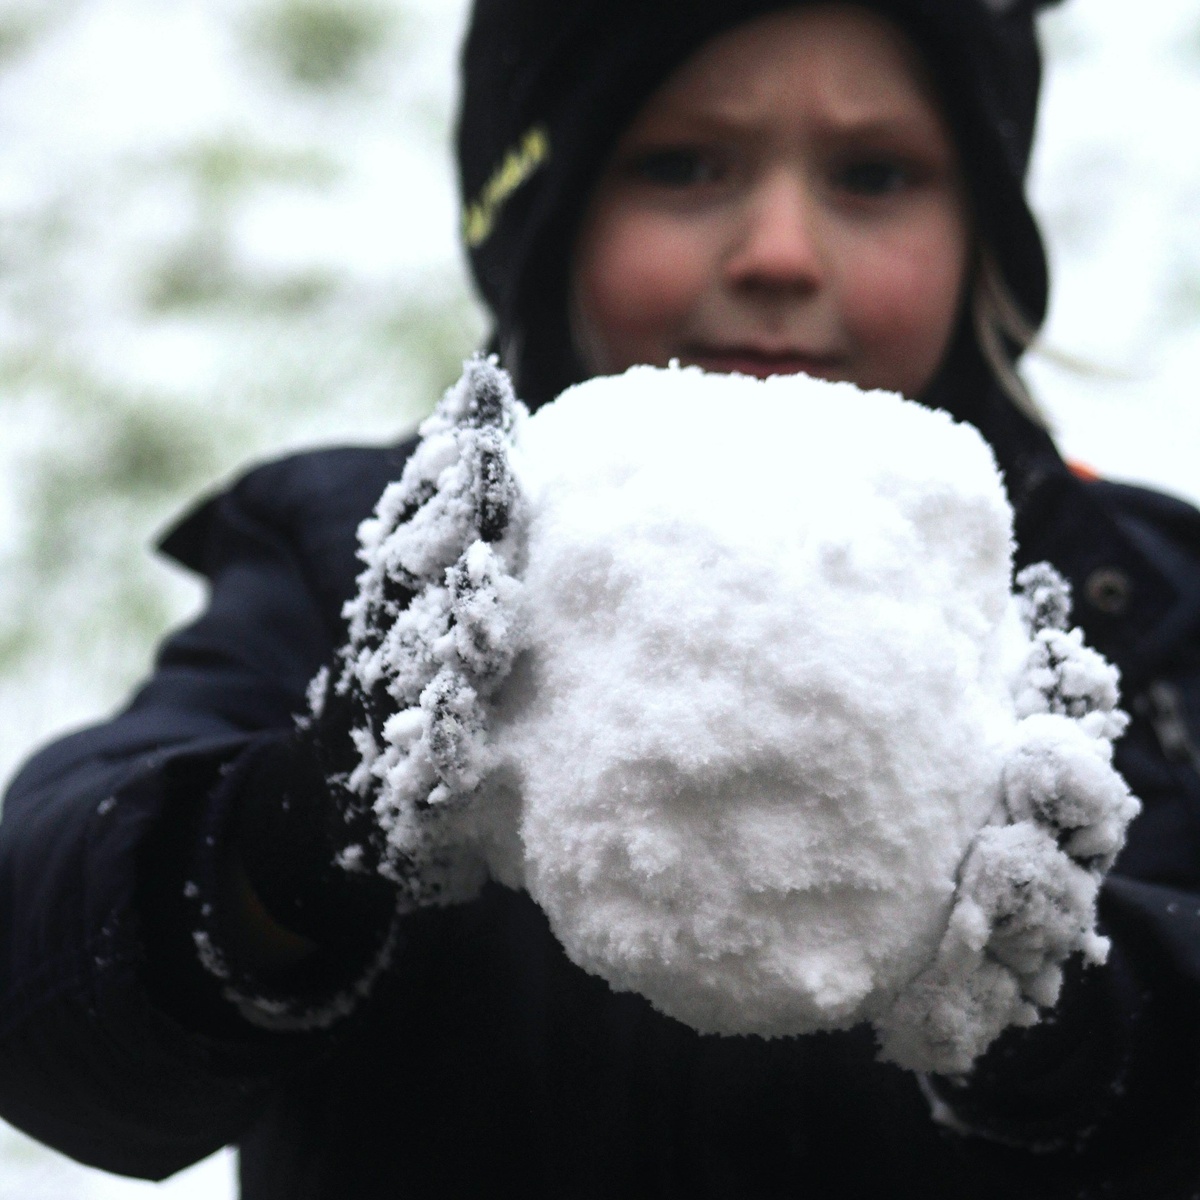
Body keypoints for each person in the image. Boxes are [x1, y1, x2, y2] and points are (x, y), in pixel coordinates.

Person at [3, 1, 1200, 1196]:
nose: (780, 250)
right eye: (681, 167)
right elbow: (41, 978)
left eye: (874, 175)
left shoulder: (1134, 611)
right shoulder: (374, 570)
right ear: (546, 209)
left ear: (981, 230)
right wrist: (296, 839)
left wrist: (1077, 1022)